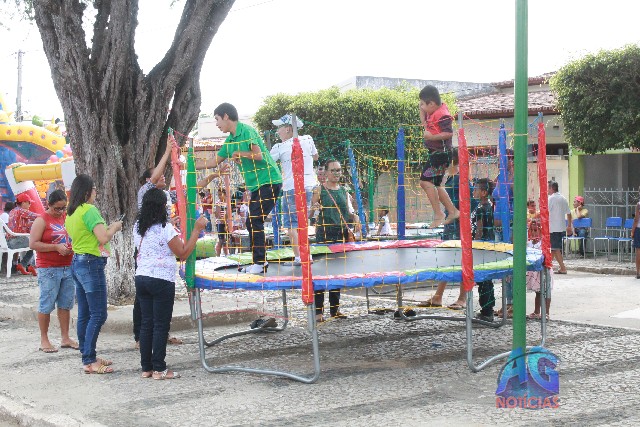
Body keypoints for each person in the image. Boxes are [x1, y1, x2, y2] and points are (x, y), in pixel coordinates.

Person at [195, 103, 282, 274]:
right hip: (256, 186)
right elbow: (212, 162)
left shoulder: (247, 131)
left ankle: (260, 263)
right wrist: (187, 164)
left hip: (270, 180)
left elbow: (258, 155)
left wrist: (239, 154)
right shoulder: (230, 141)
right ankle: (260, 262)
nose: (217, 124)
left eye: (217, 119)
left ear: (226, 116)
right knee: (252, 221)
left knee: (254, 220)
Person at [134, 188, 208, 379]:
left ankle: (146, 368)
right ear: (162, 207)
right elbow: (182, 253)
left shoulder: (138, 227)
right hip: (161, 280)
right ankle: (159, 368)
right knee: (160, 325)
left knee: (147, 324)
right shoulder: (165, 228)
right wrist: (196, 230)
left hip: (142, 277)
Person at [65, 174, 123, 374]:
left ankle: (87, 354)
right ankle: (89, 360)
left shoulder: (71, 212)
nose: (96, 192)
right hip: (91, 263)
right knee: (98, 314)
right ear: (87, 191)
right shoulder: (89, 210)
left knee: (85, 313)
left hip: (78, 262)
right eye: (94, 188)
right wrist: (115, 227)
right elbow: (103, 237)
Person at [417, 149, 472, 310]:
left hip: (462, 224)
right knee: (447, 260)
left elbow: (469, 203)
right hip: (451, 222)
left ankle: (462, 297)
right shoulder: (447, 178)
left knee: (462, 261)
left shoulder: (461, 179)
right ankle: (438, 296)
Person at [29, 190, 77, 353]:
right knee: (46, 304)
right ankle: (44, 339)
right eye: (57, 208)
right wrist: (55, 247)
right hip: (48, 268)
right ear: (49, 205)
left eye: (63, 208)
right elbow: (33, 244)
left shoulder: (66, 217)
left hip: (67, 266)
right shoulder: (41, 220)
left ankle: (65, 337)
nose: (61, 211)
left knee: (65, 303)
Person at [309, 159, 356, 322]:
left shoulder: (344, 191)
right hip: (323, 235)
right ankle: (318, 312)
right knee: (321, 274)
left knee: (337, 273)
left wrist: (355, 217)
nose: (336, 173)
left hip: (341, 235)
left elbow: (348, 212)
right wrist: (314, 208)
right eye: (333, 170)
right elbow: (311, 212)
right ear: (326, 172)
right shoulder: (319, 190)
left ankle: (335, 310)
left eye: (339, 170)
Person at [269, 114, 319, 266]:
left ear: (288, 129)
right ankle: (307, 254)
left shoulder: (279, 147)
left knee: (291, 225)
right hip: (309, 186)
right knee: (303, 222)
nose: (277, 131)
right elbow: (316, 157)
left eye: (279, 128)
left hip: (291, 187)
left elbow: (267, 162)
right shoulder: (308, 139)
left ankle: (299, 257)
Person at [418, 85, 459, 229]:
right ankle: (453, 211)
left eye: (423, 104)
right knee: (436, 185)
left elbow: (449, 133)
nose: (421, 107)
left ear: (431, 104)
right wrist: (422, 108)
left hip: (441, 154)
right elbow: (423, 119)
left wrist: (431, 137)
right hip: (437, 154)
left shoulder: (443, 115)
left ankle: (438, 214)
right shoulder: (432, 111)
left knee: (425, 182)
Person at [471, 178, 495, 322]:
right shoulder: (487, 206)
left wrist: (474, 244)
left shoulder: (482, 208)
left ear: (484, 192)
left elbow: (479, 230)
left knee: (483, 280)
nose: (473, 191)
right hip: (487, 245)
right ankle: (488, 309)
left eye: (476, 189)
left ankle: (487, 311)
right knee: (486, 279)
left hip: (482, 247)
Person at [8, 193, 39, 275]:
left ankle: (15, 265)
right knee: (36, 243)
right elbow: (38, 216)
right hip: (16, 241)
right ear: (24, 202)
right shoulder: (22, 211)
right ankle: (28, 265)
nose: (30, 205)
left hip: (8, 242)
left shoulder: (12, 211)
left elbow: (21, 225)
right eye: (29, 202)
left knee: (31, 241)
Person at [548, 181, 572, 274]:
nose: (547, 190)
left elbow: (546, 211)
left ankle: (560, 267)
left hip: (553, 227)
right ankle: (550, 266)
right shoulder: (563, 198)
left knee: (555, 248)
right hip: (561, 227)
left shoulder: (551, 199)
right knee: (554, 248)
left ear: (552, 188)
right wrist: (569, 225)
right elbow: (569, 213)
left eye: (548, 188)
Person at [214, 187, 230, 257]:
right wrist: (224, 222)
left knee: (226, 240)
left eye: (221, 194)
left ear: (225, 194)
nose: (219, 196)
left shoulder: (228, 202)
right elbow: (217, 215)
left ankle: (226, 255)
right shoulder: (218, 203)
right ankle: (218, 255)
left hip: (227, 223)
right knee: (221, 240)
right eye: (218, 194)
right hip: (220, 223)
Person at [632, 197, 640, 279]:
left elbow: (636, 219)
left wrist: (632, 231)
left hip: (639, 229)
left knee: (638, 251)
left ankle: (638, 272)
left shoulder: (639, 204)